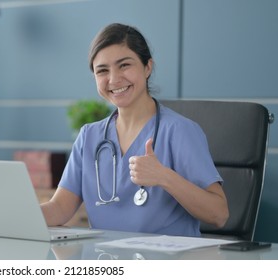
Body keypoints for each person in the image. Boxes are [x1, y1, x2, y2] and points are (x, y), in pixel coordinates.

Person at [41, 23, 229, 237]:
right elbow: (60, 209)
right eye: (102, 70)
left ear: (147, 67)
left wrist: (164, 177)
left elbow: (219, 214)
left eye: (124, 65)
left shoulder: (179, 131)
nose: (113, 79)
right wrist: (9, 216)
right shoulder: (88, 137)